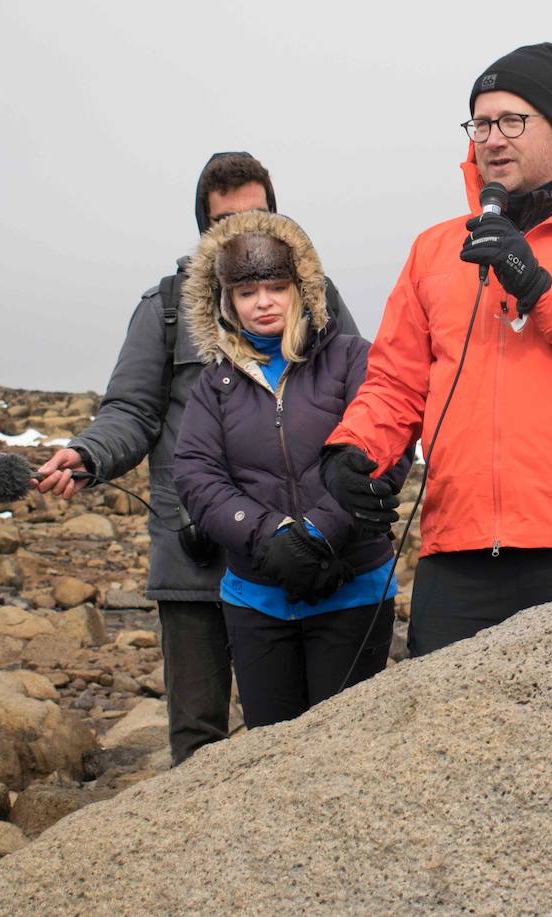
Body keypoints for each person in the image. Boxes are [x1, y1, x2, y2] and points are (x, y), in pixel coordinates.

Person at [322, 42, 552, 657]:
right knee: (449, 746)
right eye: (481, 123)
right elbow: (395, 383)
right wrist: (354, 449)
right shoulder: (435, 251)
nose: (492, 139)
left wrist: (540, 288)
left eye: (513, 121)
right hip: (460, 555)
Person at [35, 153, 358, 763]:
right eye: (224, 222)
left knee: (314, 732)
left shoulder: (316, 298)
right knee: (198, 734)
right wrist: (87, 454)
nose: (243, 231)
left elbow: (360, 400)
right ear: (203, 230)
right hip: (196, 555)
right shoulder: (162, 308)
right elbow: (130, 410)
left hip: (298, 550)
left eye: (258, 215)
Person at [173, 210, 411, 729]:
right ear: (225, 301)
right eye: (245, 292)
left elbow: (385, 449)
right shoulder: (215, 385)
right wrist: (270, 536)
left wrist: (318, 533)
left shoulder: (352, 358)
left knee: (348, 746)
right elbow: (196, 473)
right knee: (272, 751)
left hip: (354, 592)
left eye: (276, 287)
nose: (262, 302)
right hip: (257, 601)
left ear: (301, 288)